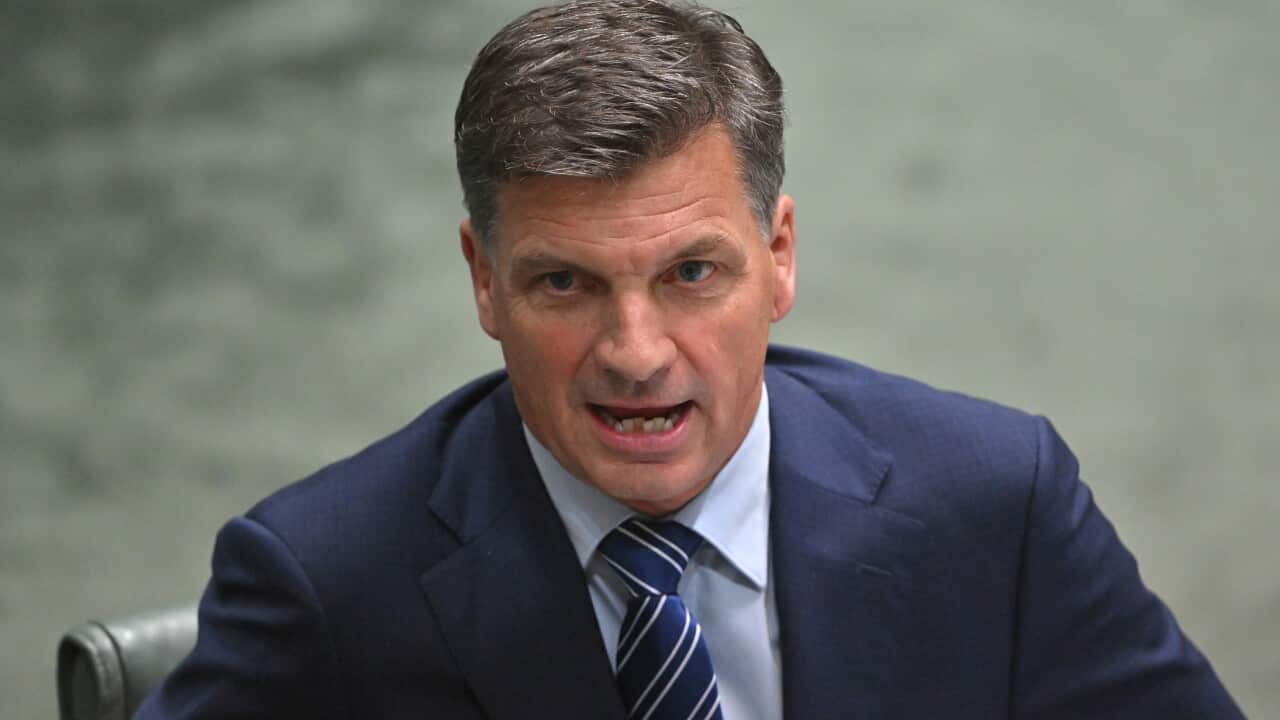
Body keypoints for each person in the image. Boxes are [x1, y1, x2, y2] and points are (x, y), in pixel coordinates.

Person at [137, 1, 1243, 718]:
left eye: (691, 273)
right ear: (483, 279)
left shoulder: (999, 506)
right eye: (564, 284)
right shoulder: (322, 583)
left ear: (779, 256)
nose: (635, 353)